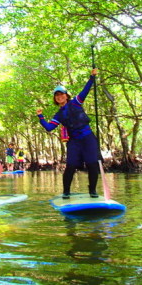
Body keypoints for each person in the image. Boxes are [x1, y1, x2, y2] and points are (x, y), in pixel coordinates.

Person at [36, 69, 100, 199]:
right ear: (55, 99)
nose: (59, 96)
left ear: (66, 95)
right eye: (57, 95)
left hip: (88, 137)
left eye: (62, 94)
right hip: (74, 141)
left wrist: (92, 77)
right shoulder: (58, 115)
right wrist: (41, 117)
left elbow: (85, 91)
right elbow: (49, 128)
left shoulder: (76, 102)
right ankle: (66, 191)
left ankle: (92, 190)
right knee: (70, 165)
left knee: (92, 163)